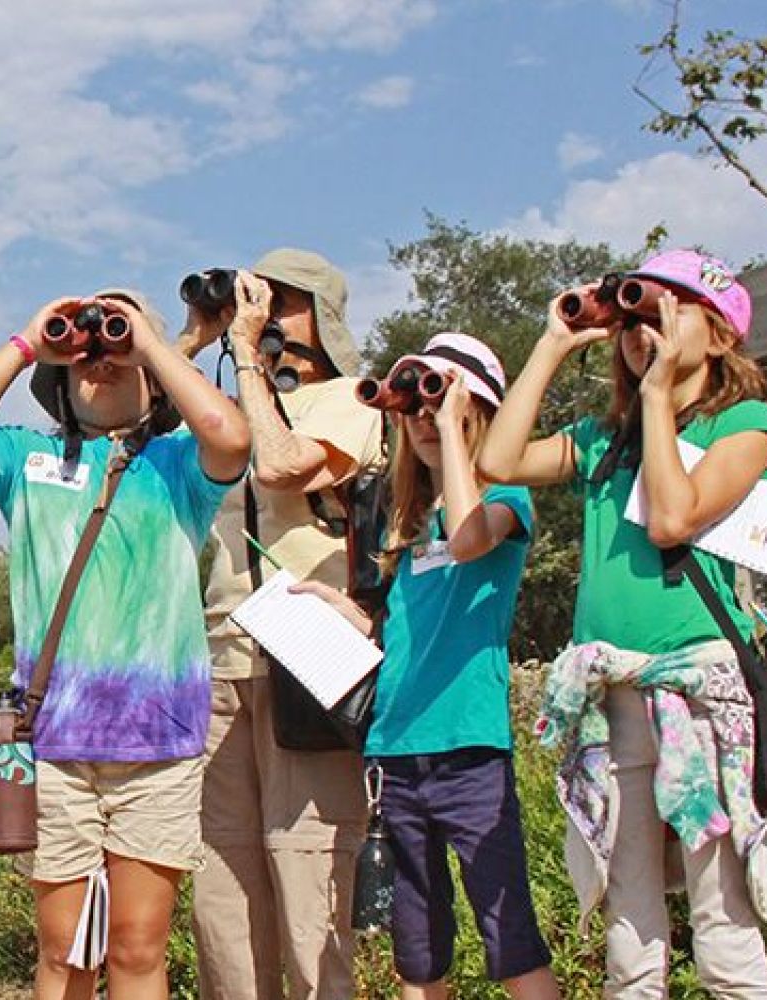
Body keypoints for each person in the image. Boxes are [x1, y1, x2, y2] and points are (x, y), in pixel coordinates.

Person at [476, 249, 767, 999]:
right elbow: (497, 457)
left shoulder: (746, 424)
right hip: (613, 695)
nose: (639, 332)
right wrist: (555, 342)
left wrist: (657, 397)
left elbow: (674, 518)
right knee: (629, 915)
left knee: (724, 919)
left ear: (718, 335)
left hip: (700, 691)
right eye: (631, 318)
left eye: (663, 312)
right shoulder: (603, 438)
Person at [0, 290, 250, 1000]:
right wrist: (26, 342)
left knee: (137, 949)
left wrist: (153, 347)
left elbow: (231, 436)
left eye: (116, 347)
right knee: (64, 951)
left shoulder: (178, 467)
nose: (98, 361)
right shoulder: (28, 459)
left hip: (157, 745)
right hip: (55, 742)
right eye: (85, 351)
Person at [297, 335, 561, 999]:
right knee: (415, 952)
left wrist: (450, 434)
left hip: (470, 750)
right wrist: (338, 609)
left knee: (510, 933)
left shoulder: (506, 500)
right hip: (394, 754)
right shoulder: (406, 526)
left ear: (475, 409)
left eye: (435, 402)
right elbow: (400, 634)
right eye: (411, 408)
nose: (420, 418)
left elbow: (470, 543)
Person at [175, 250, 383, 1000]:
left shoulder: (356, 398)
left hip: (309, 667)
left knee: (307, 874)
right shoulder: (238, 398)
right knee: (223, 883)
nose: (261, 312)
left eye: (281, 302)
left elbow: (283, 466)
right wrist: (197, 337)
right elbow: (143, 423)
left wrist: (248, 362)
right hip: (223, 660)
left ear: (323, 316)